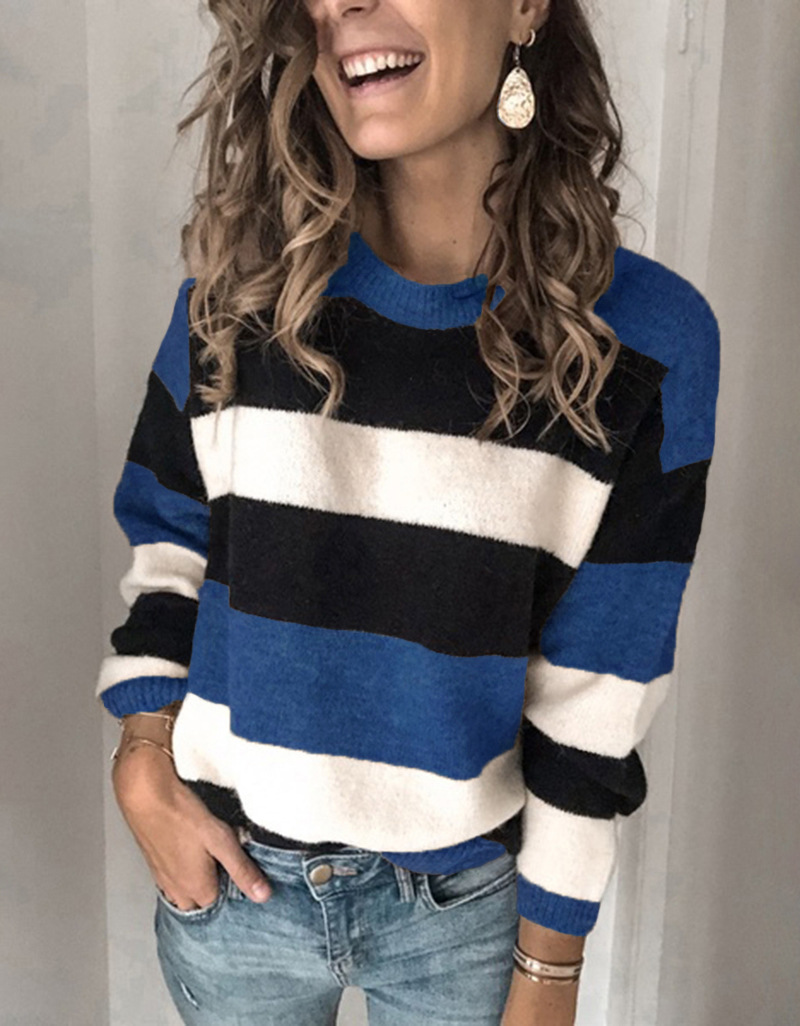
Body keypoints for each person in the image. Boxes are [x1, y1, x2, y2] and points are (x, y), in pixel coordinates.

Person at [96, 1, 720, 1024]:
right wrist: (141, 760)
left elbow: (596, 699)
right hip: (231, 886)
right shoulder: (238, 293)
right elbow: (168, 541)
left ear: (526, 7)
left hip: (462, 919)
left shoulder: (644, 343)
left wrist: (549, 971)